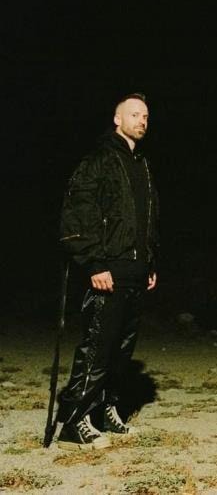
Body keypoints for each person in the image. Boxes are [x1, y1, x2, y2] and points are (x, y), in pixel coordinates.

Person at [55, 93, 159, 450]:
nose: (142, 121)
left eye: (145, 116)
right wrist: (94, 263)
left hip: (134, 272)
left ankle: (104, 412)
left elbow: (145, 219)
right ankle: (73, 422)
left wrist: (150, 262)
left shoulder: (141, 164)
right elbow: (77, 213)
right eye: (135, 114)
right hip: (107, 272)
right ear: (118, 119)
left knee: (120, 353)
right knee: (97, 348)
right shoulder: (99, 160)